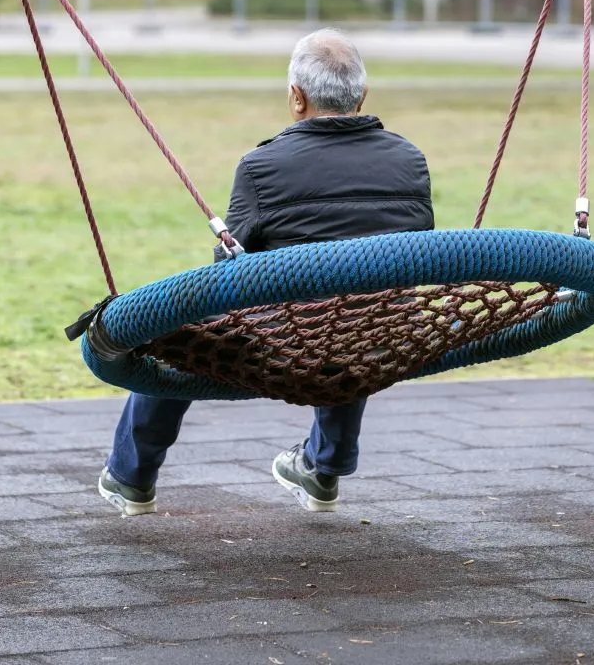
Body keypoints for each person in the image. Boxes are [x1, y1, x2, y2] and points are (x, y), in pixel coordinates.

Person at [99, 28, 434, 516]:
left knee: (170, 336)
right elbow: (412, 249)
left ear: (297, 98)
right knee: (361, 304)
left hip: (287, 345)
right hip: (380, 338)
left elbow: (229, 274)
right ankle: (325, 466)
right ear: (362, 97)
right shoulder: (410, 160)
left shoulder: (262, 166)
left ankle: (131, 476)